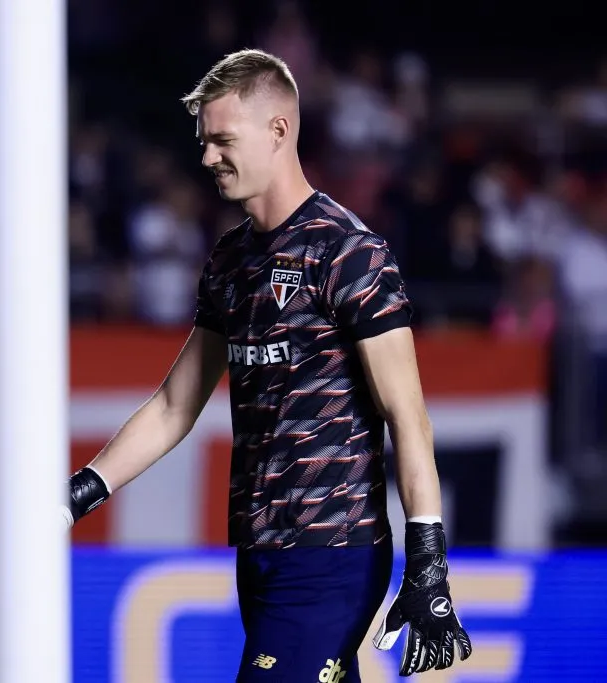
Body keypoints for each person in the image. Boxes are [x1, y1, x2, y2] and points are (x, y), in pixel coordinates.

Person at [61, 49, 472, 681]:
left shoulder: (349, 253)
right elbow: (175, 407)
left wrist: (429, 561)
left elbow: (406, 414)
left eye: (223, 139)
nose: (206, 158)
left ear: (279, 131)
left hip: (332, 549)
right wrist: (72, 498)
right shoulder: (229, 261)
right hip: (259, 548)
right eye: (203, 142)